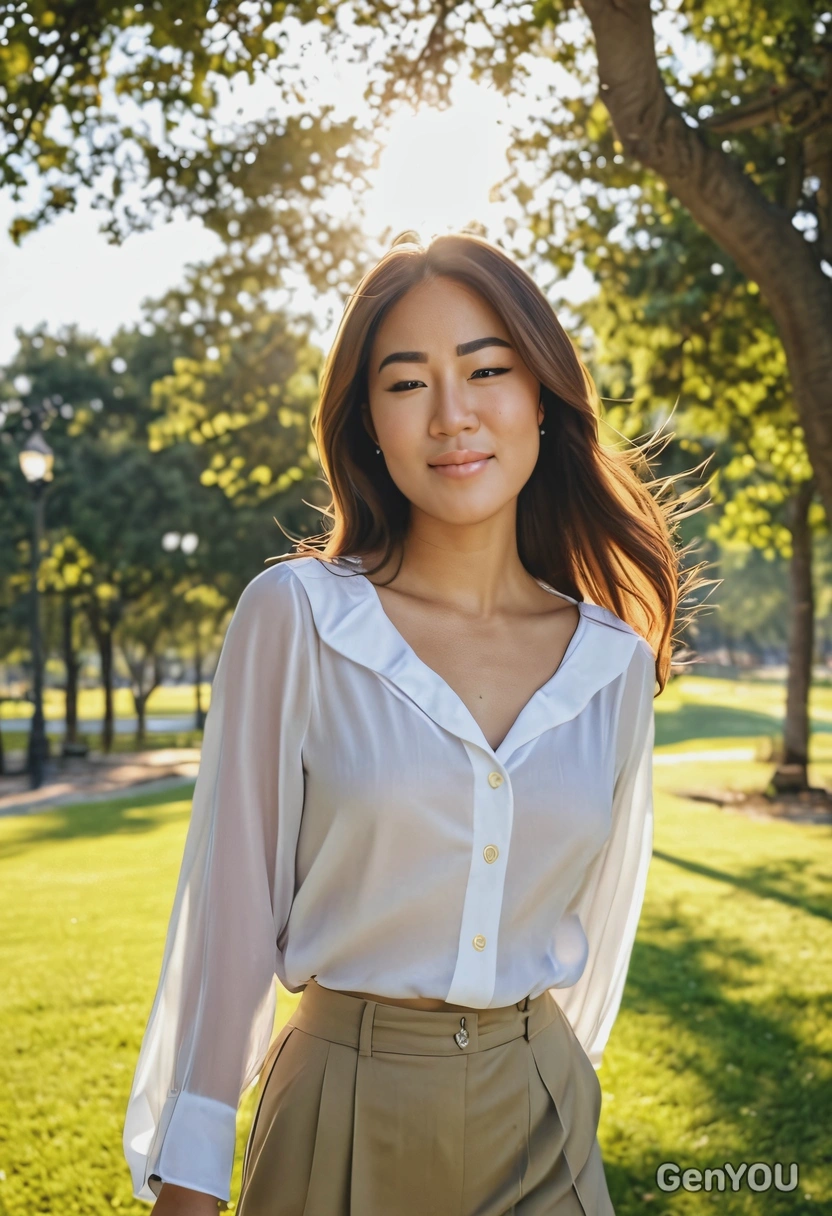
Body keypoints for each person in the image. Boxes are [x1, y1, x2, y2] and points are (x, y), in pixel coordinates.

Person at [123, 230, 705, 1215]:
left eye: (487, 369)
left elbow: (596, 926)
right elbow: (230, 934)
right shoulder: (296, 617)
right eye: (406, 384)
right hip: (336, 1112)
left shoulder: (608, 662)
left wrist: (560, 1083)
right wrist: (190, 1183)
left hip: (541, 1119)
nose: (452, 415)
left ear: (541, 401)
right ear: (367, 426)